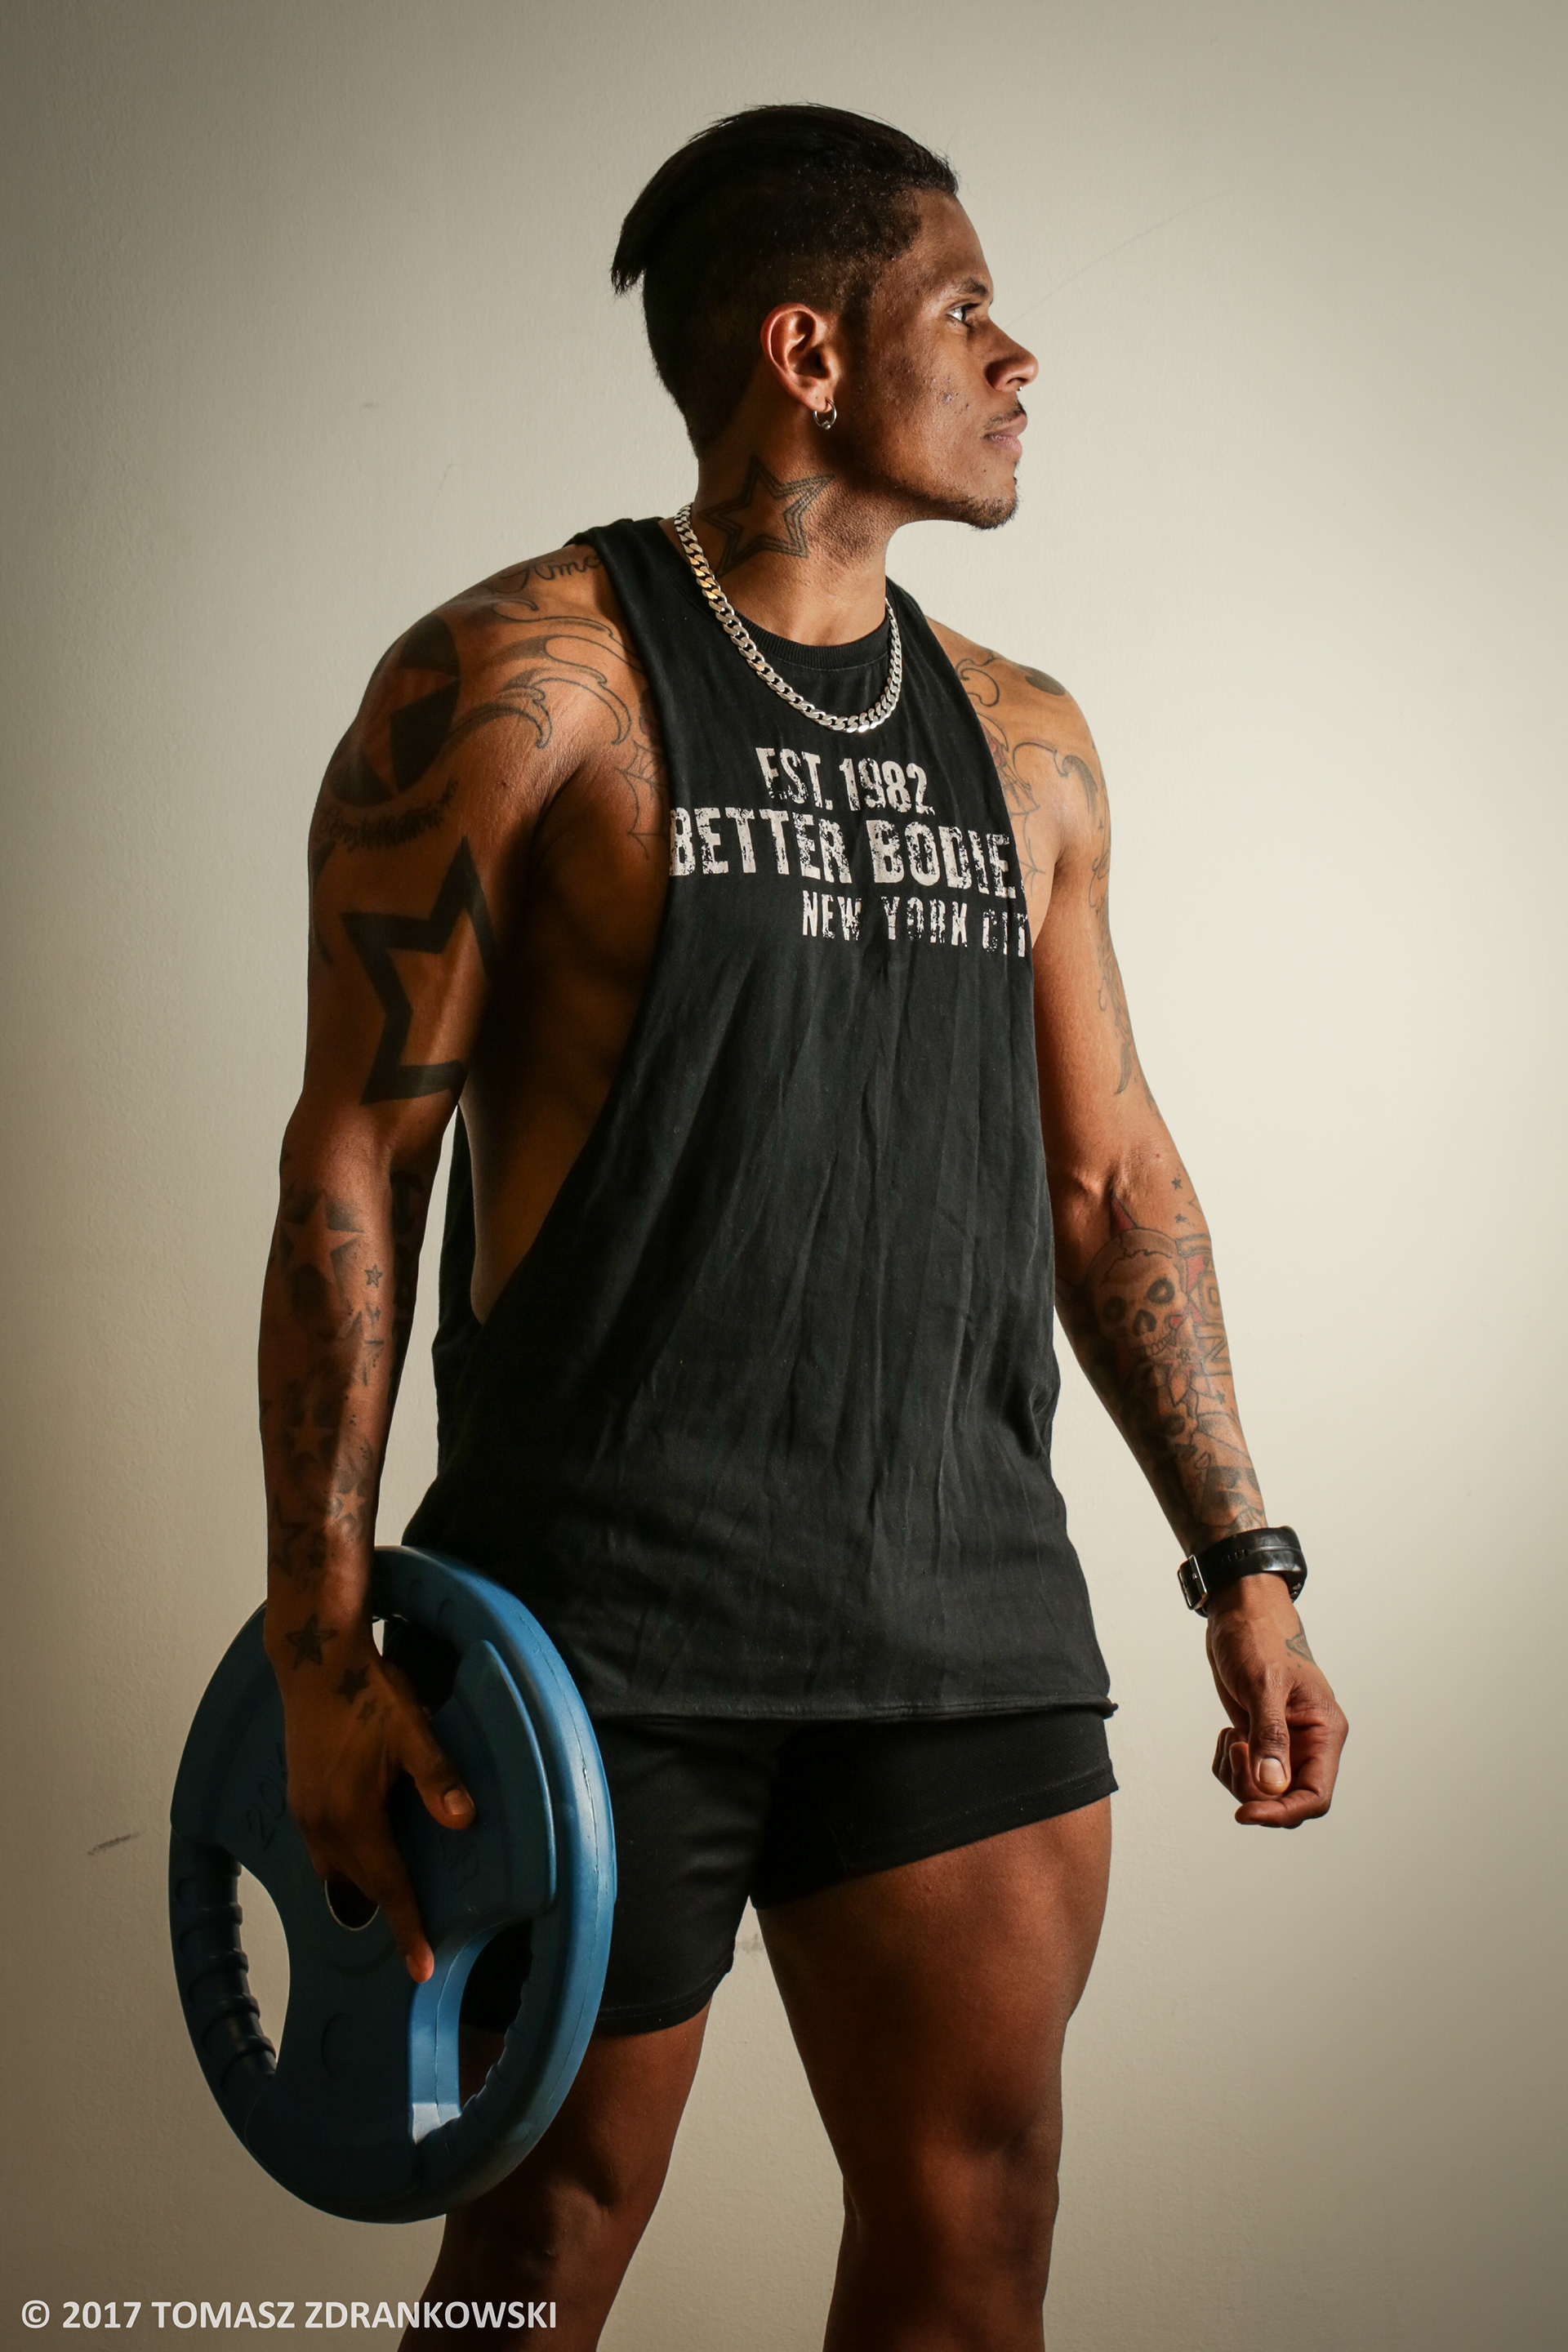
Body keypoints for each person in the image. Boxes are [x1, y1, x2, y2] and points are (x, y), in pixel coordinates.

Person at [258, 103, 1348, 2352]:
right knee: (535, 2256)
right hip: (591, 1639)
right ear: (810, 352)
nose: (1019, 357)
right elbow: (357, 1160)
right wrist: (318, 1651)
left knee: (973, 2251)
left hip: (962, 1623)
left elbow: (1110, 1178)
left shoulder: (1026, 743)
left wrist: (1244, 1561)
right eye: (968, 309)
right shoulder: (519, 684)